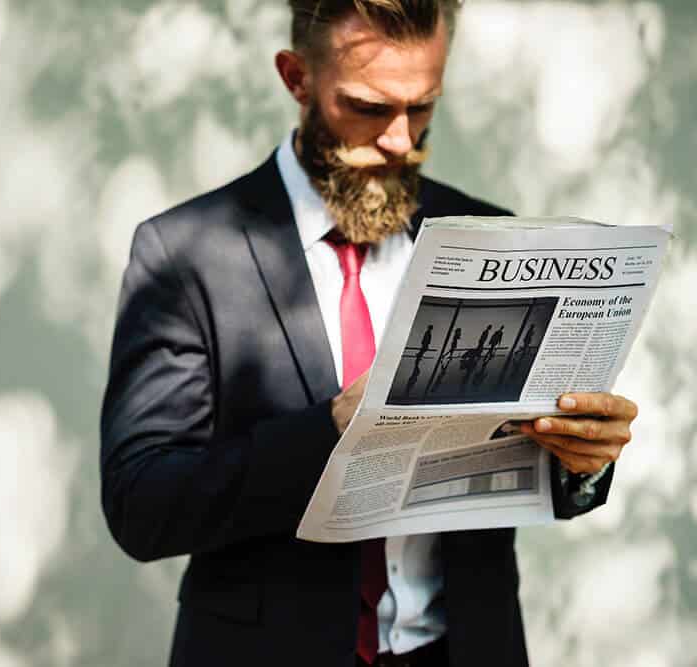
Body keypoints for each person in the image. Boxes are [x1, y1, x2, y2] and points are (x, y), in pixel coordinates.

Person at [100, 2, 638, 666]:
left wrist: (582, 459)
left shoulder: (489, 234)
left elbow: (526, 472)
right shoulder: (184, 252)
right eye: (368, 107)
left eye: (423, 109)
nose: (399, 140)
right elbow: (142, 503)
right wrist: (332, 427)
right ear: (297, 78)